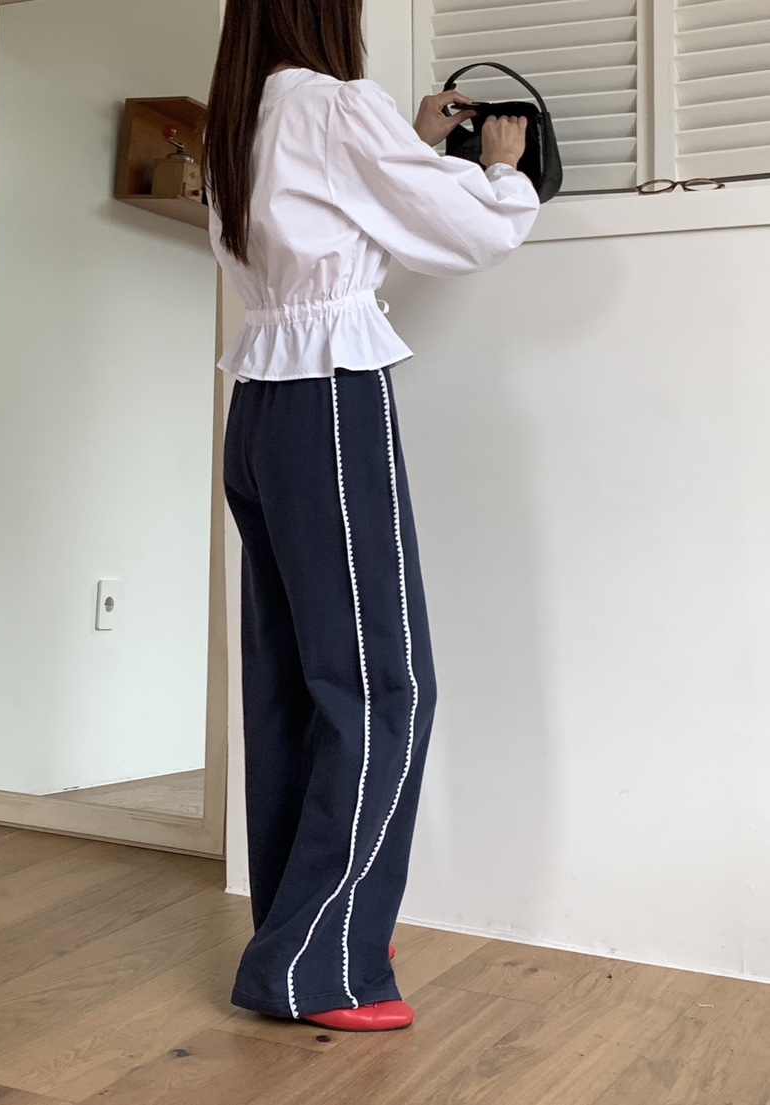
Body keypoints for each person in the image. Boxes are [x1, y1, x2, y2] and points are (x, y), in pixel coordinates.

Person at [202, 0, 539, 1033]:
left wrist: (416, 139)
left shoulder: (244, 114)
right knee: (382, 685)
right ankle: (319, 965)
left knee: (297, 685)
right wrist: (503, 168)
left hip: (260, 405)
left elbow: (327, 219)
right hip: (329, 400)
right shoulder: (334, 103)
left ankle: (305, 932)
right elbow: (471, 232)